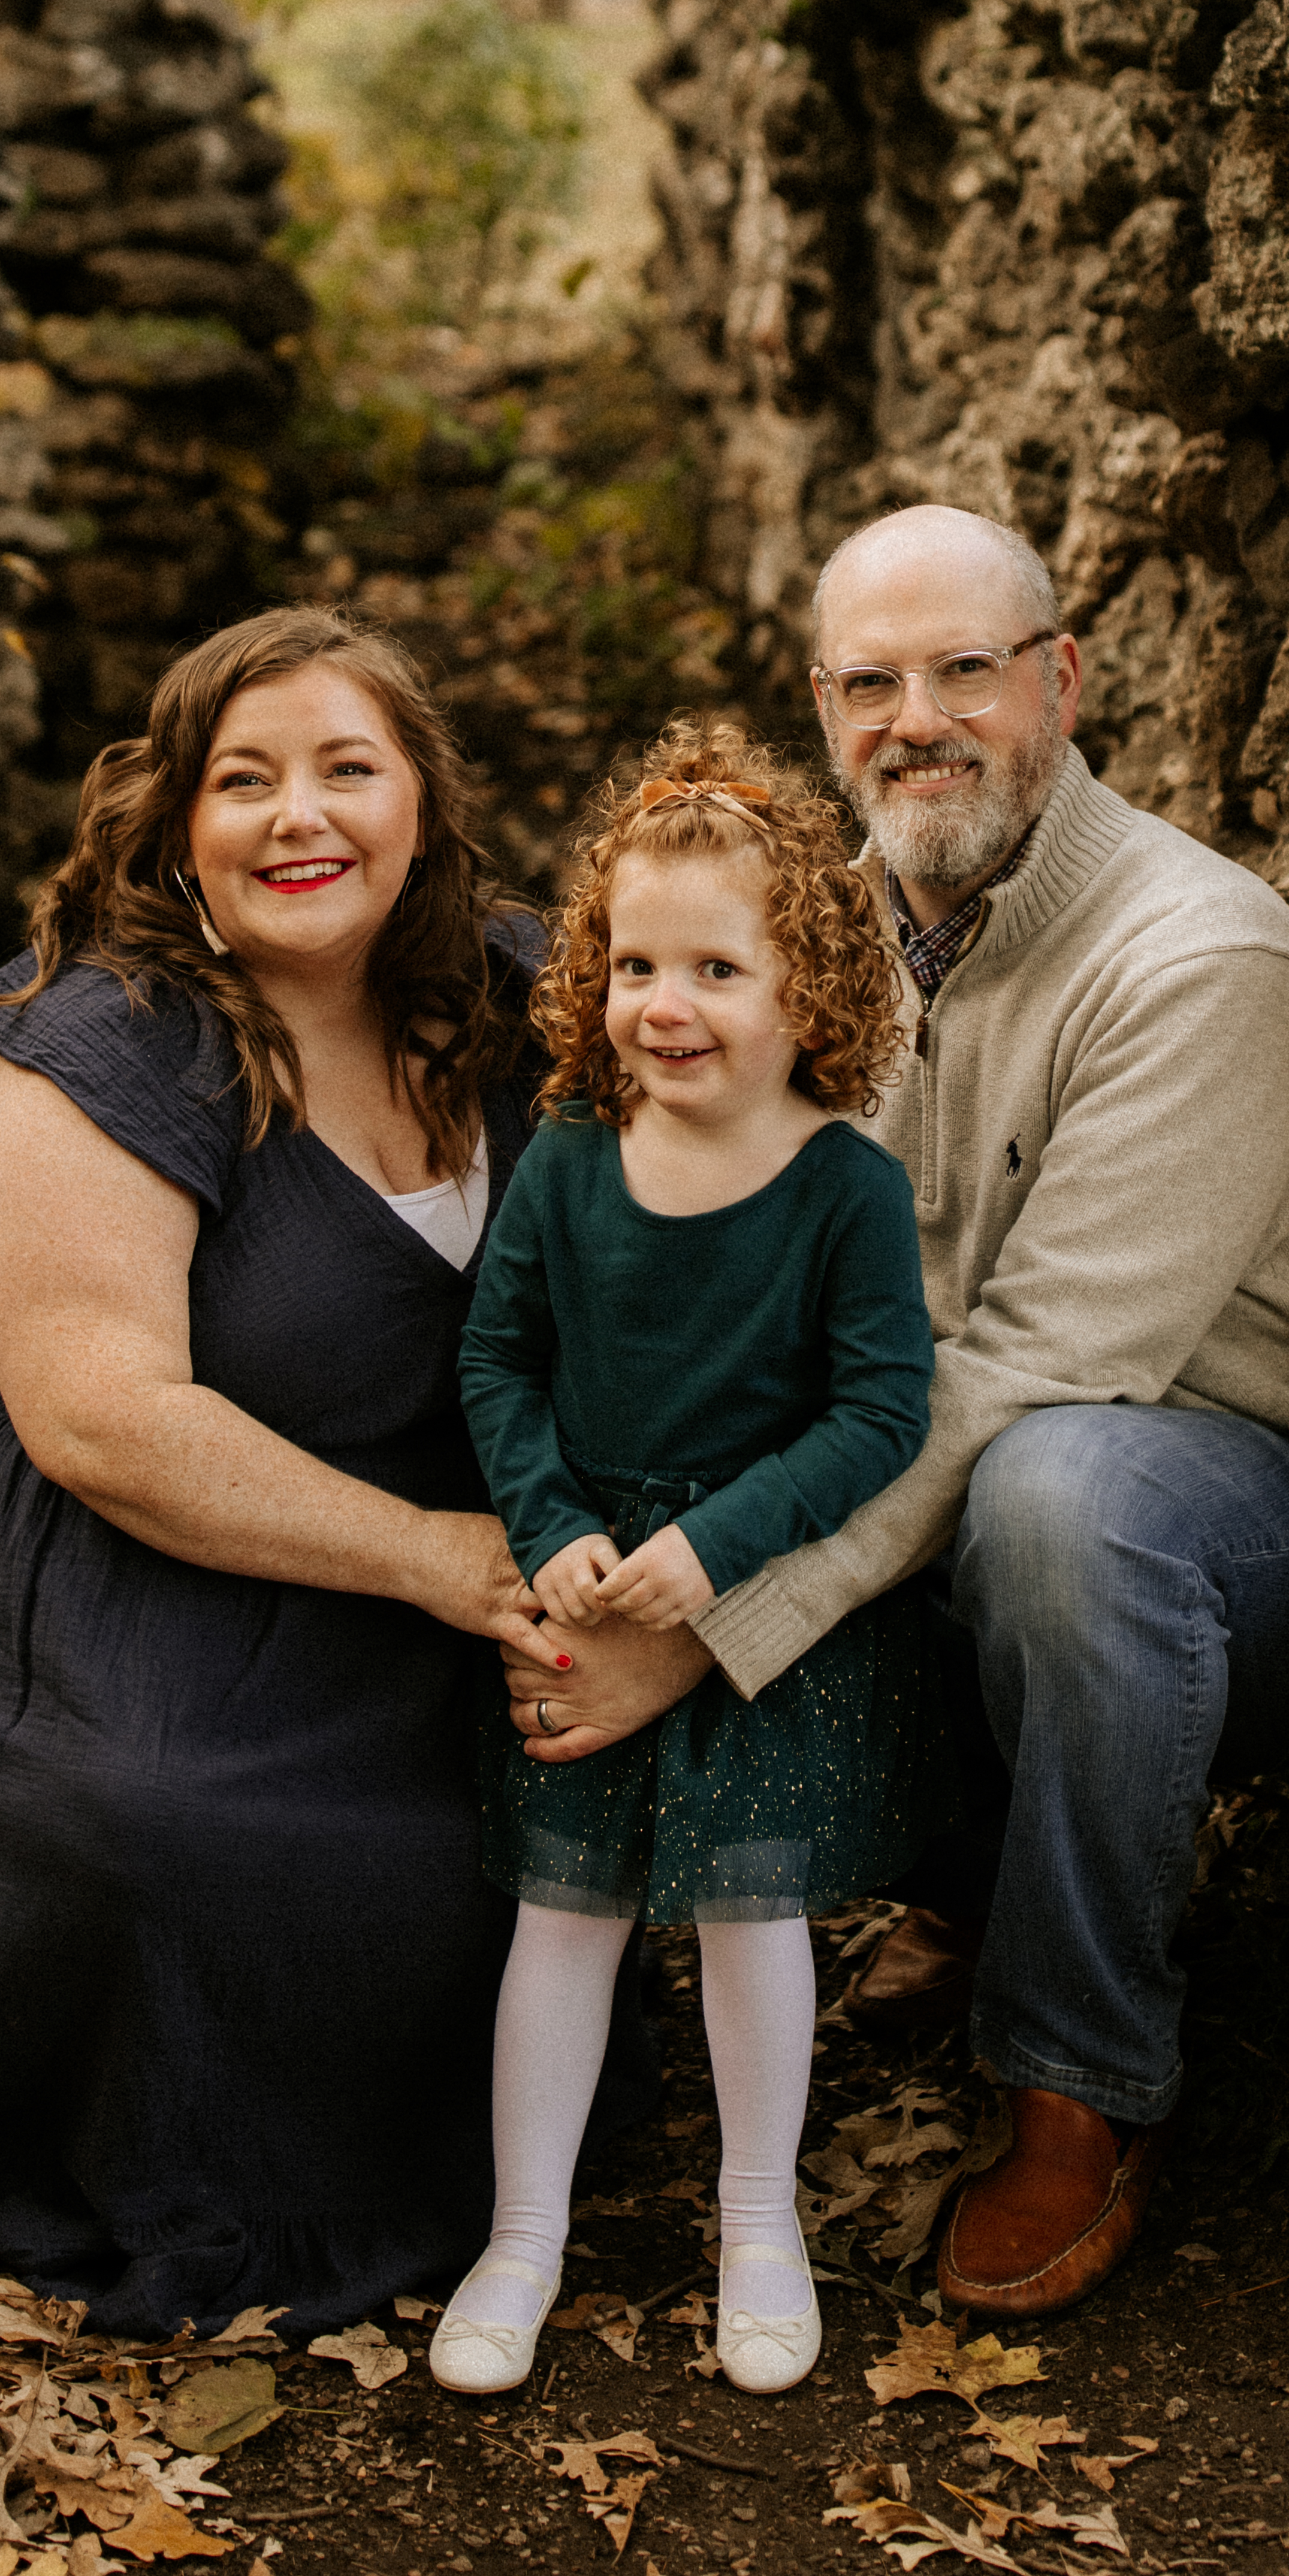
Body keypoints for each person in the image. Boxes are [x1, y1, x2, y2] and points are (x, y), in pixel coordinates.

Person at [497, 506, 1289, 2324]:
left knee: (1055, 1497)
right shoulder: (806, 940)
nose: (914, 718)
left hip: (1229, 1508)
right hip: (943, 1461)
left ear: (1059, 681)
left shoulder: (1192, 958)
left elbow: (1025, 1374)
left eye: (964, 670)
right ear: (824, 710)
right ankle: (967, 1868)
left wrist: (703, 1630)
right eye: (867, 682)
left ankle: (1080, 2083)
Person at [0, 606, 568, 2336]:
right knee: (161, 1836)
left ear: (421, 801)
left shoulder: (526, 993)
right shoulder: (101, 1045)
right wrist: (451, 1562)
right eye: (247, 780)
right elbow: (103, 1419)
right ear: (175, 825)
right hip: (93, 1560)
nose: (302, 815)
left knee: (506, 1834)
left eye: (348, 768)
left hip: (395, 1561)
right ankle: (164, 2167)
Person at [435, 725, 943, 2399]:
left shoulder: (844, 1192)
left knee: (749, 1918)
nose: (670, 1002)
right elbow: (496, 1360)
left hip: (737, 1601)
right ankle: (522, 2231)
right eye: (637, 961)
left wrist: (714, 1546)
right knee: (559, 1918)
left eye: (718, 966)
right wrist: (555, 1523)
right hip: (590, 1578)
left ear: (810, 990)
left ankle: (754, 2219)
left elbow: (880, 1411)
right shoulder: (571, 1160)